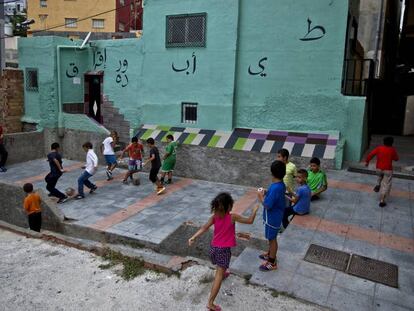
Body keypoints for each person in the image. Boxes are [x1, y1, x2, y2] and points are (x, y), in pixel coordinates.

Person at [188, 192, 259, 311]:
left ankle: (223, 272)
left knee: (221, 267)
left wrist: (193, 237)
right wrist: (255, 210)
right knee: (218, 275)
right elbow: (250, 221)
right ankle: (210, 303)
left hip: (213, 248)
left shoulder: (214, 217)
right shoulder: (232, 217)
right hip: (223, 250)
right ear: (229, 206)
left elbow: (204, 228)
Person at [257, 160, 286, 271]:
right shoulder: (279, 184)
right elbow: (274, 196)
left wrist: (260, 197)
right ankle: (270, 254)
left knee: (272, 239)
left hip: (273, 218)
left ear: (272, 173)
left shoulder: (275, 187)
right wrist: (267, 192)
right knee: (271, 238)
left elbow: (268, 205)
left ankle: (272, 262)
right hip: (274, 216)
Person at [365, 136, 399, 207]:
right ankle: (382, 200)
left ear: (383, 142)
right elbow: (396, 158)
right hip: (388, 170)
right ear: (392, 143)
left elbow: (370, 155)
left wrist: (367, 162)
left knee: (380, 175)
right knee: (386, 184)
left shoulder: (379, 148)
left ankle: (378, 184)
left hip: (379, 169)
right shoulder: (392, 149)